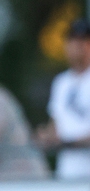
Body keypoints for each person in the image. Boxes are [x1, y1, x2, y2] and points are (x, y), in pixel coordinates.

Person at [36, 19, 90, 179]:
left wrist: (73, 142)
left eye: (83, 40)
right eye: (73, 40)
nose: (77, 45)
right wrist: (46, 136)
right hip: (68, 170)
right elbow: (56, 122)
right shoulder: (61, 82)